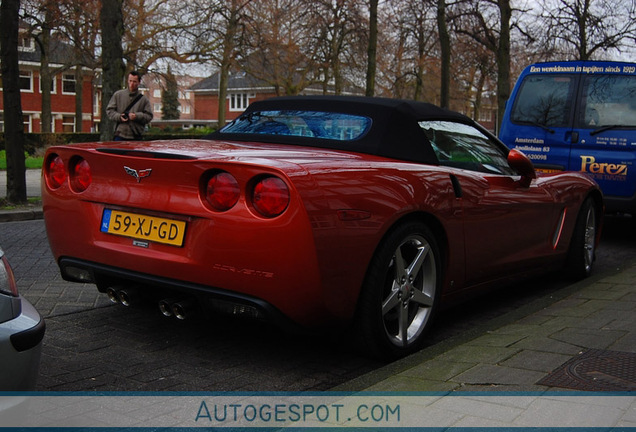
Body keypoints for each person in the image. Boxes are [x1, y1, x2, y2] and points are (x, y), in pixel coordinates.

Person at [106, 71, 153, 140]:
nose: (131, 84)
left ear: (139, 82)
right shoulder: (118, 95)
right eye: (130, 81)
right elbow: (110, 111)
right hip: (120, 133)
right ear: (127, 81)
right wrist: (119, 117)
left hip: (136, 135)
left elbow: (149, 116)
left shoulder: (144, 100)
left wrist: (137, 116)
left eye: (134, 82)